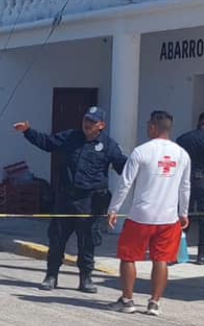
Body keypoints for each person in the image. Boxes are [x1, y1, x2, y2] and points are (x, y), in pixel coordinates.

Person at [14, 106, 128, 293]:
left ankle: (86, 279)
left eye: (92, 121)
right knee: (57, 239)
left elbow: (124, 168)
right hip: (66, 198)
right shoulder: (70, 137)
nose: (87, 124)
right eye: (86, 120)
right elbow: (47, 143)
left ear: (101, 125)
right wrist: (28, 132)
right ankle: (51, 276)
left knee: (88, 241)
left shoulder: (109, 146)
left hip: (91, 201)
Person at [107, 111, 191, 316]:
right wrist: (184, 212)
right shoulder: (181, 154)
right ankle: (154, 302)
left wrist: (114, 208)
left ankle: (127, 299)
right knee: (161, 259)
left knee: (128, 257)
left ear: (153, 127)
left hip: (141, 216)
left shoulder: (141, 151)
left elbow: (125, 183)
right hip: (169, 217)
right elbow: (185, 186)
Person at [176, 111, 204, 265]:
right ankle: (202, 254)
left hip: (184, 182)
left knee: (182, 215)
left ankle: (177, 250)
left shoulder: (183, 139)